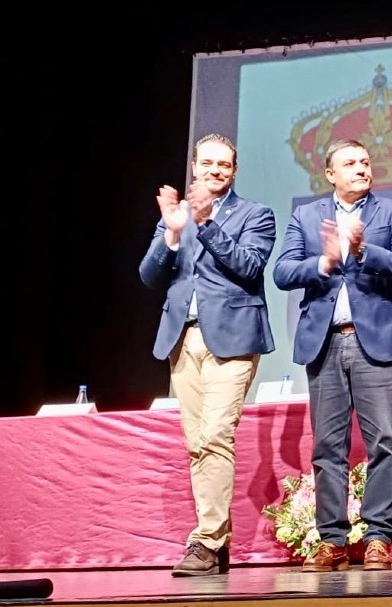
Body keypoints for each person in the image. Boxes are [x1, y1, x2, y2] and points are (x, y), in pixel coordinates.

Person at [273, 139, 392, 572]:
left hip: (377, 342)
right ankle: (332, 541)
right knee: (327, 448)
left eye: (366, 162)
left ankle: (378, 537)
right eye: (350, 163)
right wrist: (325, 260)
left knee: (385, 444)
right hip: (325, 341)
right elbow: (283, 271)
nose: (361, 168)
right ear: (330, 174)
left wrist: (362, 251)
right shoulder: (305, 215)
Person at [138, 133, 276, 577]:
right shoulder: (176, 218)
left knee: (216, 435)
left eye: (224, 164)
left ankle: (206, 540)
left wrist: (208, 222)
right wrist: (173, 235)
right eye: (208, 163)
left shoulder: (256, 213)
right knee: (198, 444)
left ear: (234, 171)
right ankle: (215, 548)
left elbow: (250, 267)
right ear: (194, 166)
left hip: (233, 339)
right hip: (183, 339)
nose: (216, 170)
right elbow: (149, 277)